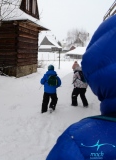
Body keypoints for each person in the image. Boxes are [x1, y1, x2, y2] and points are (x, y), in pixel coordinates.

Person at [46, 15, 116, 159]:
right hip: (80, 87)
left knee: (73, 95)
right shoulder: (77, 72)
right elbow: (59, 82)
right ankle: (73, 104)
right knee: (77, 95)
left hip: (72, 87)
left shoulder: (78, 139)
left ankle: (60, 105)